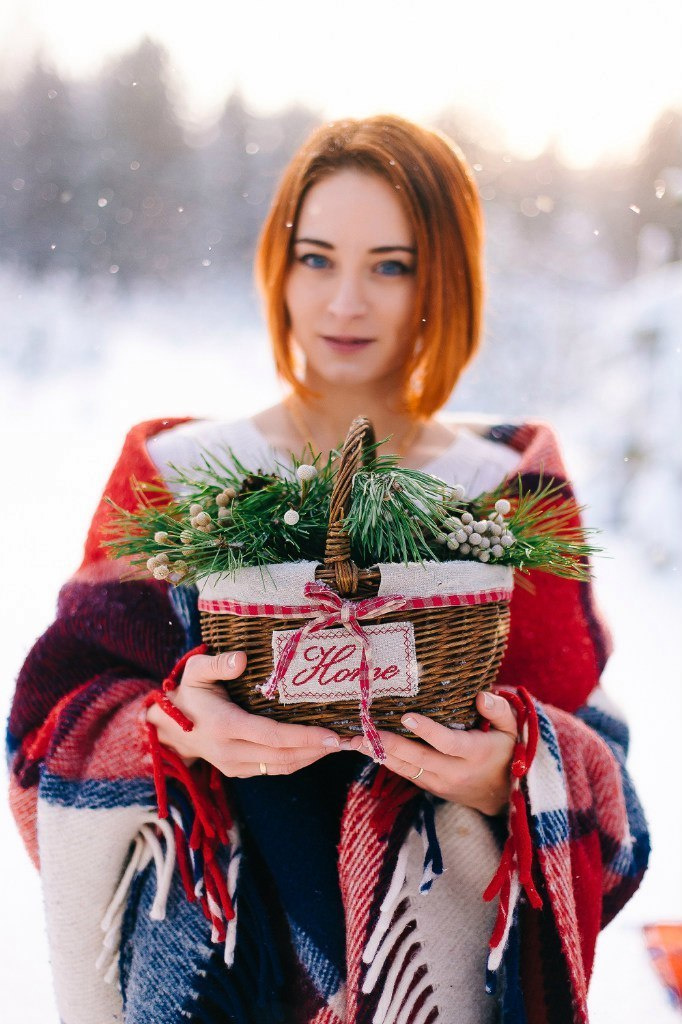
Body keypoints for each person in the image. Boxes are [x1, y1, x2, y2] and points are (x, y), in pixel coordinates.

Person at [8, 116, 649, 1024]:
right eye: (317, 259)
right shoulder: (178, 477)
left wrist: (511, 774)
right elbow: (46, 729)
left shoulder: (503, 491)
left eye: (390, 266)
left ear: (444, 280)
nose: (345, 302)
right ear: (279, 268)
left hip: (442, 979)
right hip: (224, 973)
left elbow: (602, 779)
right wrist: (172, 734)